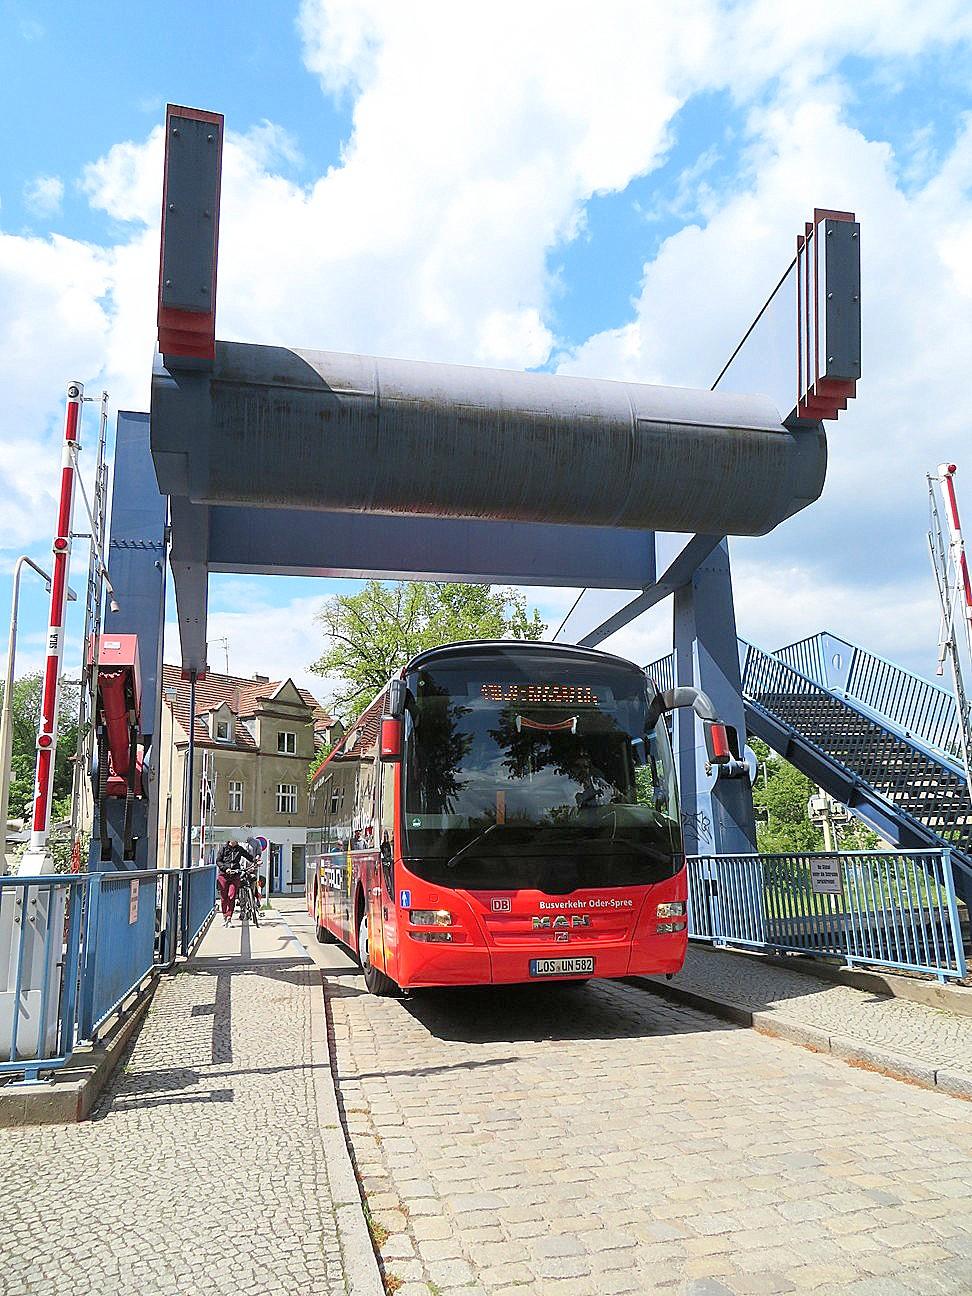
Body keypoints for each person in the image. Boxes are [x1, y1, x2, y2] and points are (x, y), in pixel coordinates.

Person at [216, 838, 255, 925]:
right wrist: (225, 869)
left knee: (232, 896)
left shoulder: (239, 849)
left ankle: (229, 917)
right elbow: (218, 861)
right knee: (224, 897)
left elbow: (248, 856)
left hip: (235, 875)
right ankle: (225, 915)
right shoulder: (223, 848)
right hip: (223, 875)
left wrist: (256, 861)